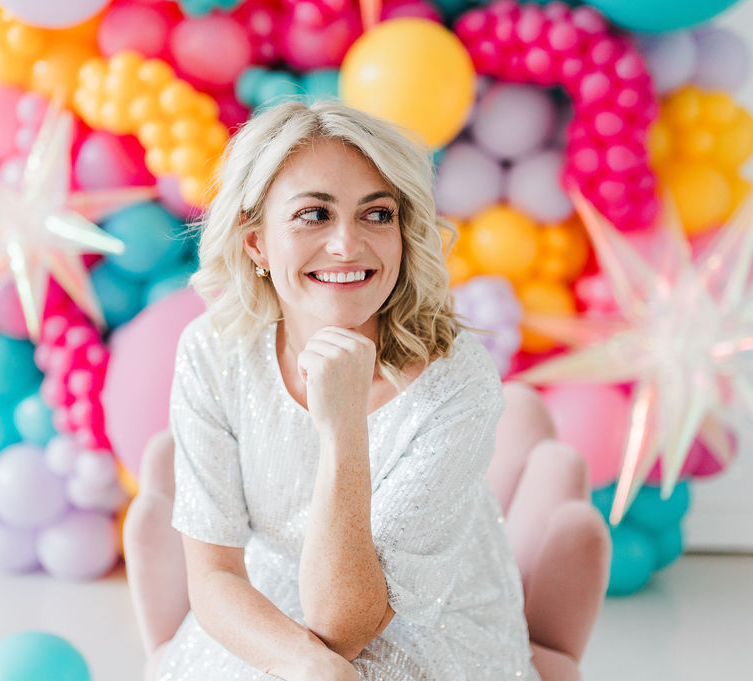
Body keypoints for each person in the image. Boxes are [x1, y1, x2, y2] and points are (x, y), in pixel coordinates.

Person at [128, 99, 557, 681]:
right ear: (256, 243)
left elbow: (344, 623)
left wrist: (342, 425)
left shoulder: (456, 380)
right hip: (273, 601)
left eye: (377, 215)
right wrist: (308, 665)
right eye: (314, 214)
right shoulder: (214, 351)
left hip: (429, 627)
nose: (348, 245)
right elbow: (215, 576)